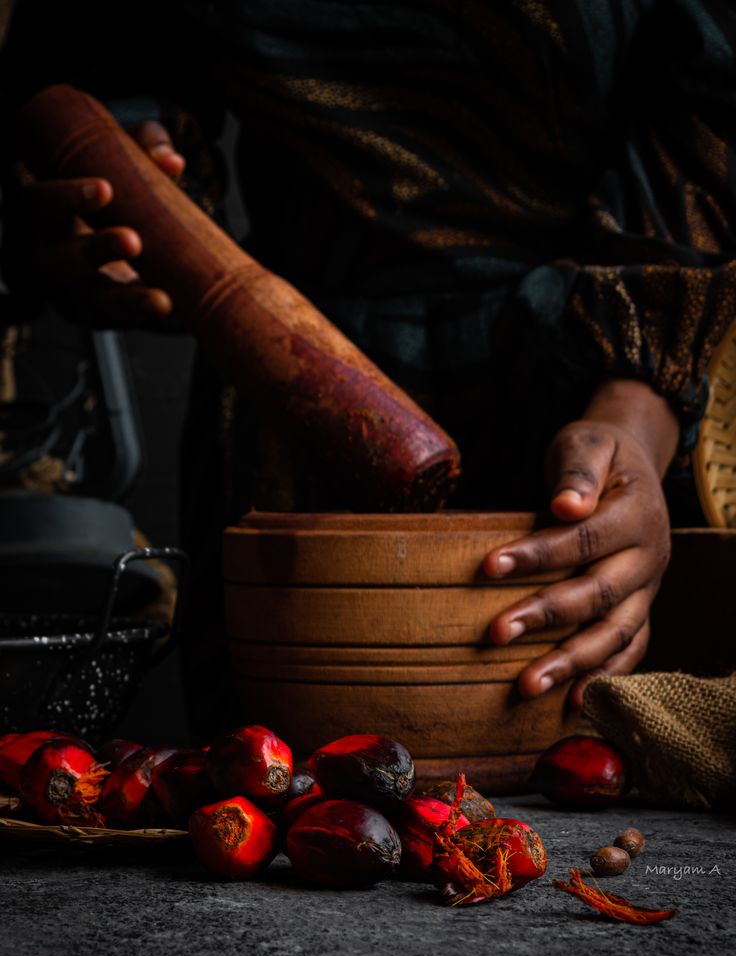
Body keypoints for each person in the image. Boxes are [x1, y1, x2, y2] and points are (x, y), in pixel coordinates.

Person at [1, 0, 732, 735]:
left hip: (591, 392)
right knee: (283, 809)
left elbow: (711, 106)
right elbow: (95, 64)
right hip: (291, 408)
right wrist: (137, 174)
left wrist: (635, 418)